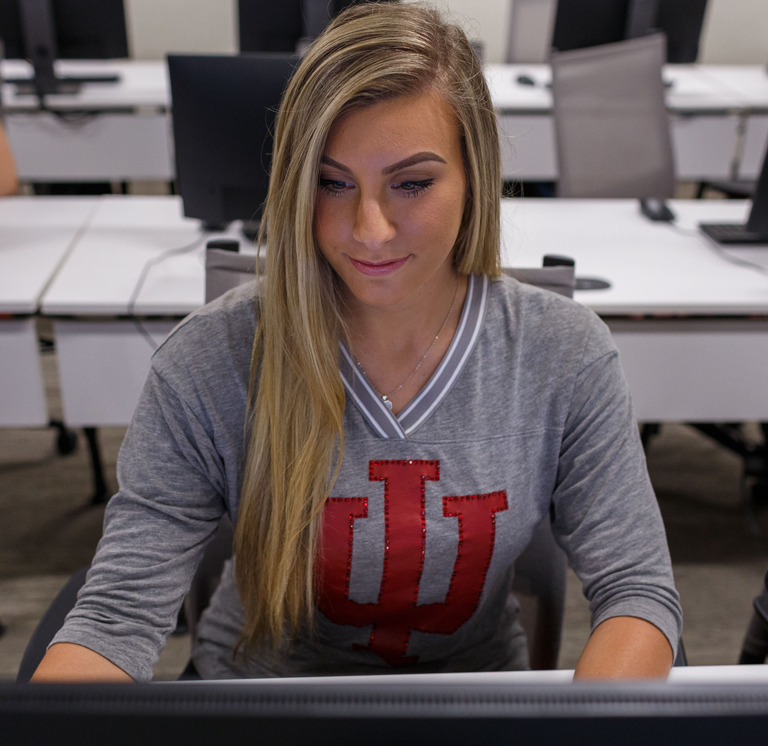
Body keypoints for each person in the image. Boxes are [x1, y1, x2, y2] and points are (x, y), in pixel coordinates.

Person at [32, 2, 681, 683]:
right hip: (258, 702)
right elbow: (115, 618)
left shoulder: (564, 355)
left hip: (471, 705)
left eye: (412, 184)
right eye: (332, 182)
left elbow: (638, 591)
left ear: (474, 181)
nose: (369, 229)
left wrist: (581, 737)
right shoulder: (208, 360)